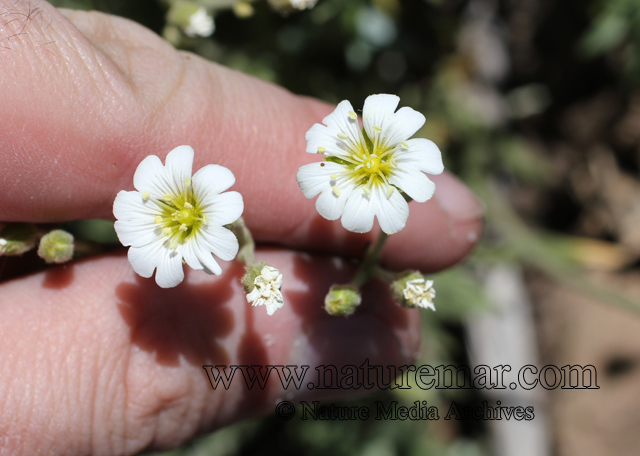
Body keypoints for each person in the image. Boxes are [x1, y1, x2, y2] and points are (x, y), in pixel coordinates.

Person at [0, 1, 483, 454]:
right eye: (371, 158)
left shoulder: (360, 176)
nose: (373, 159)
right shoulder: (194, 210)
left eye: (376, 160)